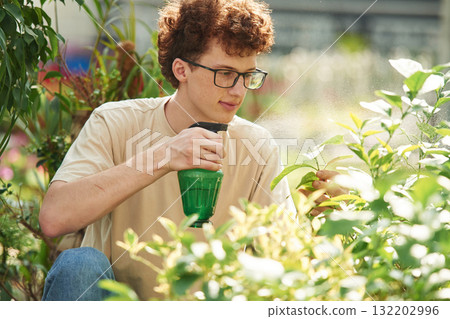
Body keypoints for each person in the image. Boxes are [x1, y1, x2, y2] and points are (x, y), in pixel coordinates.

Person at [39, 0, 335, 301]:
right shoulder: (115, 122)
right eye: (225, 73)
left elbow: (283, 268)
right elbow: (55, 218)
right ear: (182, 69)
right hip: (120, 303)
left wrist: (323, 218)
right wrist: (164, 155)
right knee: (79, 265)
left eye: (248, 76)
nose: (238, 91)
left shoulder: (257, 146)